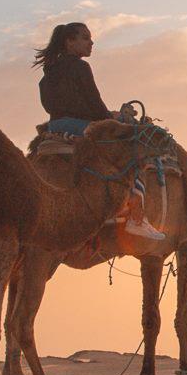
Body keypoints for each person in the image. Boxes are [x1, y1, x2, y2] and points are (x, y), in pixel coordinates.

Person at [32, 21, 162, 240]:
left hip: (55, 127)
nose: (91, 42)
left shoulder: (48, 73)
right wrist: (113, 118)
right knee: (136, 149)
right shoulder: (80, 67)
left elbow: (56, 105)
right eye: (85, 38)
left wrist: (106, 115)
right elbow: (94, 103)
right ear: (69, 42)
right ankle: (136, 216)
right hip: (80, 126)